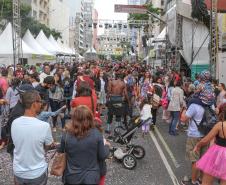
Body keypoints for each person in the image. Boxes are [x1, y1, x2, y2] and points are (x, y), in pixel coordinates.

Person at [58, 105, 110, 185]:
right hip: (91, 177)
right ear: (90, 118)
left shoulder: (67, 135)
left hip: (72, 176)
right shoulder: (96, 134)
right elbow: (102, 156)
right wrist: (106, 146)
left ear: (74, 119)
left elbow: (61, 151)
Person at [11, 90, 54, 185]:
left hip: (18, 171)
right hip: (37, 172)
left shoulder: (15, 123)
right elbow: (49, 145)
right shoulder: (44, 126)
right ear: (34, 104)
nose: (41, 104)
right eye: (40, 101)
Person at [193, 103, 226, 185]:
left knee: (207, 180)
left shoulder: (220, 125)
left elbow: (206, 140)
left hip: (217, 153)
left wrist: (198, 145)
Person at [181, 99, 207, 185]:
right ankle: (201, 179)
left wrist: (184, 109)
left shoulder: (194, 106)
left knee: (194, 159)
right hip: (206, 135)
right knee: (203, 158)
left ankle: (193, 181)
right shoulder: (211, 106)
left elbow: (183, 119)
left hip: (194, 135)